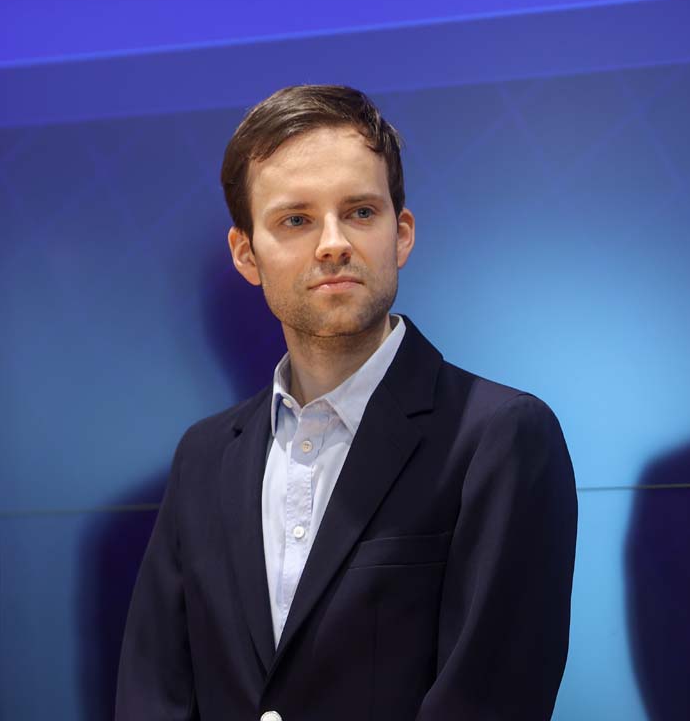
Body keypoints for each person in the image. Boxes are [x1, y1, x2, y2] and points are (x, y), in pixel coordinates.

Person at [116, 86, 577, 720]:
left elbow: (490, 701)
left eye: (360, 212)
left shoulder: (500, 437)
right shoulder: (204, 456)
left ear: (401, 234)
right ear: (246, 253)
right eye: (296, 220)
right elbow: (153, 693)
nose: (333, 243)